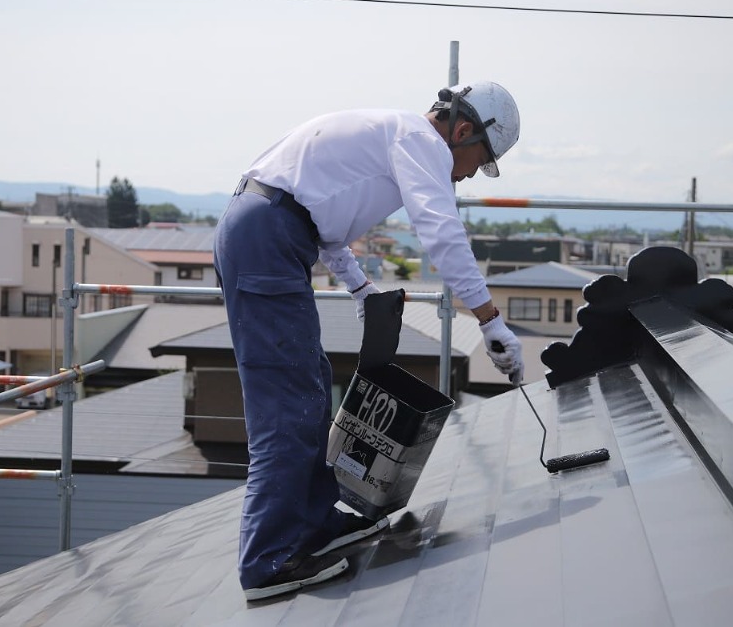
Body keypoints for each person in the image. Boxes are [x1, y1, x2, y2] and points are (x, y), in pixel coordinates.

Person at [213, 80, 525, 601]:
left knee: (309, 383)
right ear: (463, 130)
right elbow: (441, 232)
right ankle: (267, 560)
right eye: (478, 160)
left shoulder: (389, 134)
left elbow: (323, 224)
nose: (469, 173)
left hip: (272, 231)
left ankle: (312, 524)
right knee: (286, 404)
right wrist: (490, 320)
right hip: (267, 237)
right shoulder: (420, 142)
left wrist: (360, 288)